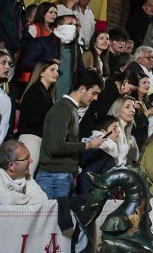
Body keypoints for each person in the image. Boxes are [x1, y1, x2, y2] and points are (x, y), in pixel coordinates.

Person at [38, 70, 105, 199]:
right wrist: (89, 144)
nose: (95, 98)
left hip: (62, 176)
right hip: (55, 177)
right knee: (56, 218)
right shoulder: (63, 109)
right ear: (82, 89)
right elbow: (56, 146)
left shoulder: (71, 109)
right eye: (94, 93)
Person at [16, 60, 58, 175]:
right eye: (52, 70)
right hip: (30, 138)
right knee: (24, 176)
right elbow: (31, 118)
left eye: (57, 71)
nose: (56, 73)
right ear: (41, 72)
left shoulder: (46, 93)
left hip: (37, 139)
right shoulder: (35, 90)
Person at [0, 140, 48, 205]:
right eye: (26, 158)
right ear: (11, 165)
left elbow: (42, 200)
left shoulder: (25, 176)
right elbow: (5, 200)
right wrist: (29, 199)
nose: (31, 161)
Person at [107, 96, 141, 166]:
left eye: (133, 107)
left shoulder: (126, 133)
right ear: (118, 111)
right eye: (127, 107)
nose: (132, 110)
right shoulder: (115, 131)